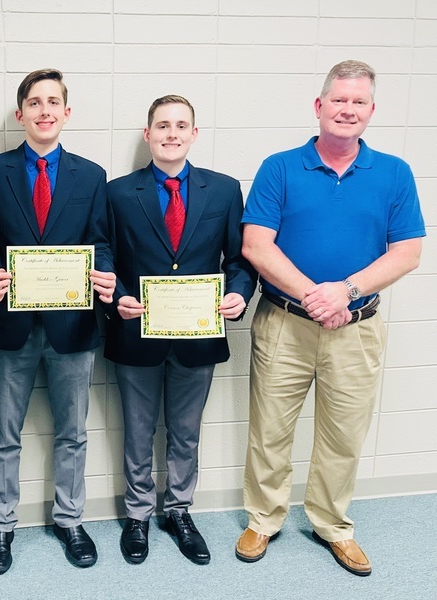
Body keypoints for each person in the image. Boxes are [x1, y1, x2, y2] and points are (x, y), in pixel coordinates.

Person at [236, 60, 425, 576]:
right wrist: (315, 297)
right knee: (270, 429)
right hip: (284, 323)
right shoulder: (279, 167)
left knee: (344, 434)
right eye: (338, 100)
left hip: (357, 328)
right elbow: (256, 245)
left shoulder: (393, 173)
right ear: (319, 107)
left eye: (357, 102)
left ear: (370, 111)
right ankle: (264, 518)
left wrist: (345, 292)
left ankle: (332, 523)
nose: (347, 109)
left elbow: (407, 252)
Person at [0, 68, 116, 574]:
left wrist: (105, 273)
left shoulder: (91, 175)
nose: (44, 110)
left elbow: (100, 240)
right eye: (34, 102)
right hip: (9, 323)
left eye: (53, 101)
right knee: (3, 431)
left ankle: (70, 519)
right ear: (21, 114)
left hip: (72, 324)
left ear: (67, 112)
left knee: (72, 431)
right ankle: (0, 526)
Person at [106, 95, 256, 566]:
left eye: (181, 125)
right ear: (147, 134)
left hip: (199, 333)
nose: (171, 133)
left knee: (186, 432)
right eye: (162, 125)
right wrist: (117, 297)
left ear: (195, 134)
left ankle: (178, 511)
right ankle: (137, 514)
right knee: (137, 430)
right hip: (137, 332)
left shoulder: (225, 190)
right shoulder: (116, 192)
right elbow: (104, 255)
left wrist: (238, 293)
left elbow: (239, 260)